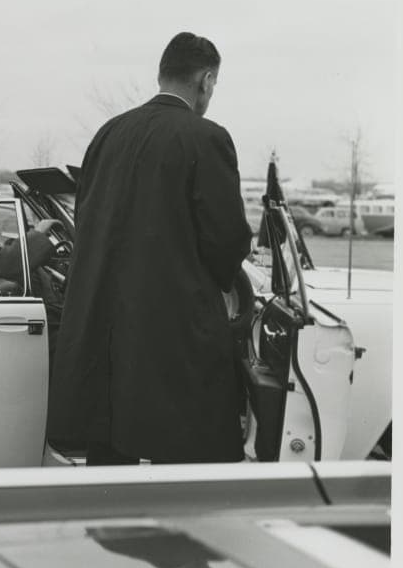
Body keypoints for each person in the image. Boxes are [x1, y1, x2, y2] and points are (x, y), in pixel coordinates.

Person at [47, 31, 253, 466]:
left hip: (106, 333)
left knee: (111, 462)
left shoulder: (109, 133)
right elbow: (227, 238)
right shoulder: (206, 137)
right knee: (186, 465)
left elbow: (86, 219)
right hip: (174, 336)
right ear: (206, 80)